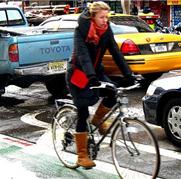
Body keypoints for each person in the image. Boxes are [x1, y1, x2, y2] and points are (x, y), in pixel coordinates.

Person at [66, 1, 135, 169]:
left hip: (96, 72)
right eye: (102, 17)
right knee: (82, 112)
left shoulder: (106, 30)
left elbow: (115, 51)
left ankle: (97, 119)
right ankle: (81, 156)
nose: (105, 20)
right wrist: (91, 76)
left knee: (113, 92)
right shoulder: (80, 31)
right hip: (79, 74)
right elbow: (82, 55)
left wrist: (128, 74)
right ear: (93, 17)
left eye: (107, 17)